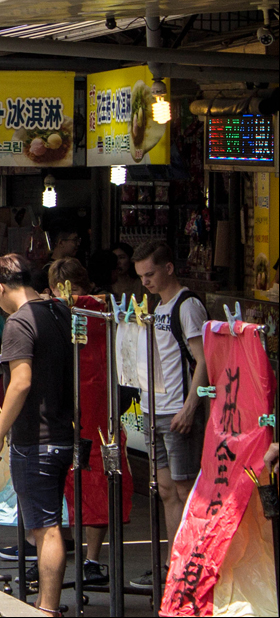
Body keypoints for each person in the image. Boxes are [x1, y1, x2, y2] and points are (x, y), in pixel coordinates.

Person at [0, 254, 74, 617]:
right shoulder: (60, 311)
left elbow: (20, 382)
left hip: (37, 437)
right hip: (64, 430)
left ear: (0, 288)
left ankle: (47, 608)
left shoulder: (19, 323)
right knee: (49, 524)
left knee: (45, 528)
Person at [129, 239, 208, 592]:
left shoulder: (187, 305)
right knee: (164, 489)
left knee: (183, 486)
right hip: (152, 406)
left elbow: (203, 358)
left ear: (168, 268)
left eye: (150, 274)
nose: (146, 282)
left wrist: (191, 405)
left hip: (177, 407)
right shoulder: (155, 306)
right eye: (141, 276)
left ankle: (188, 561)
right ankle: (172, 560)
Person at [48, 257, 131, 590]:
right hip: (94, 405)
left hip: (85, 404)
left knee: (83, 475)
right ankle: (87, 558)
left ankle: (82, 556)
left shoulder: (95, 310)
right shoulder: (100, 309)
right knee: (89, 475)